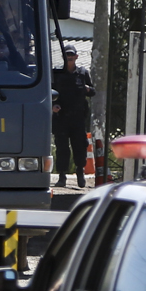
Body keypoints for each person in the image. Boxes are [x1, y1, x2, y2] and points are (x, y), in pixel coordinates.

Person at [52, 45, 95, 188]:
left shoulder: (82, 73)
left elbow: (92, 91)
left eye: (71, 55)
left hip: (78, 118)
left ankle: (80, 173)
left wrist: (88, 89)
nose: (69, 57)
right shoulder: (56, 73)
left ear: (76, 57)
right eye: (67, 55)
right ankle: (62, 176)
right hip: (61, 117)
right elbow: (49, 91)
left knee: (80, 146)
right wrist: (53, 106)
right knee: (62, 148)